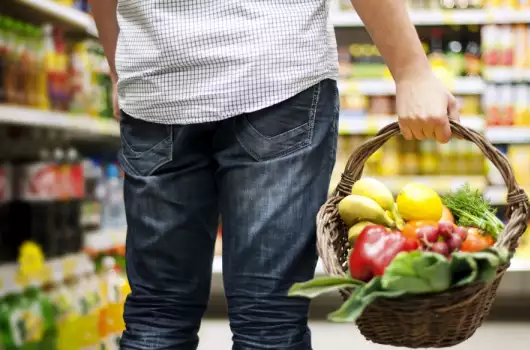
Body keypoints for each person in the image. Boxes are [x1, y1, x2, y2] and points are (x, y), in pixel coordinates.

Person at [89, 0, 460, 349]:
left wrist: (119, 67)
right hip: (274, 73)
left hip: (156, 81)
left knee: (157, 313)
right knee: (269, 316)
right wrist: (410, 69)